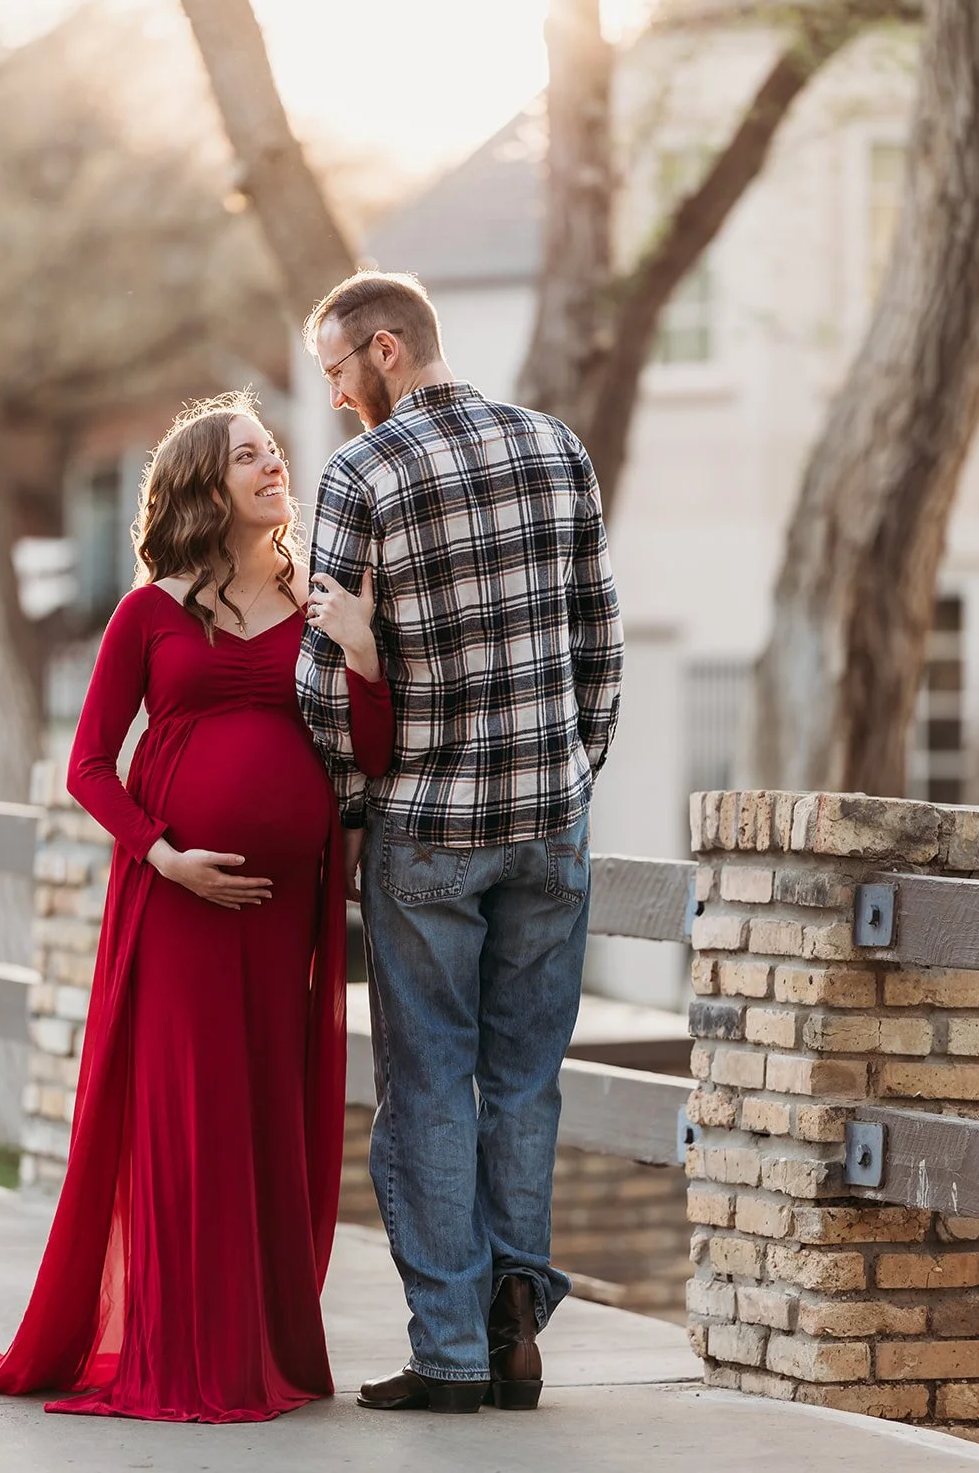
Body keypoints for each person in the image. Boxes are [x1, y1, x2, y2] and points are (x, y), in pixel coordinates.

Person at [0, 392, 393, 1423]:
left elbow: (368, 750)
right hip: (175, 903)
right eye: (250, 457)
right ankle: (185, 1349)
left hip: (280, 913)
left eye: (274, 452)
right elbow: (89, 766)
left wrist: (360, 654)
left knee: (265, 1109)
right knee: (189, 1112)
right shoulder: (148, 612)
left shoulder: (318, 601)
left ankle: (259, 1343)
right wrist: (166, 857)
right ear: (202, 487)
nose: (276, 466)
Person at [297, 273, 624, 1414]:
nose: (337, 399)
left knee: (429, 1087)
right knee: (525, 1082)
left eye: (338, 373)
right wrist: (570, 778)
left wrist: (350, 802)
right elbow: (602, 640)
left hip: (427, 831)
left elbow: (324, 679)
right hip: (550, 826)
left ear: (384, 348)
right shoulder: (554, 444)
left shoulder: (363, 476)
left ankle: (448, 1352)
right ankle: (514, 1322)